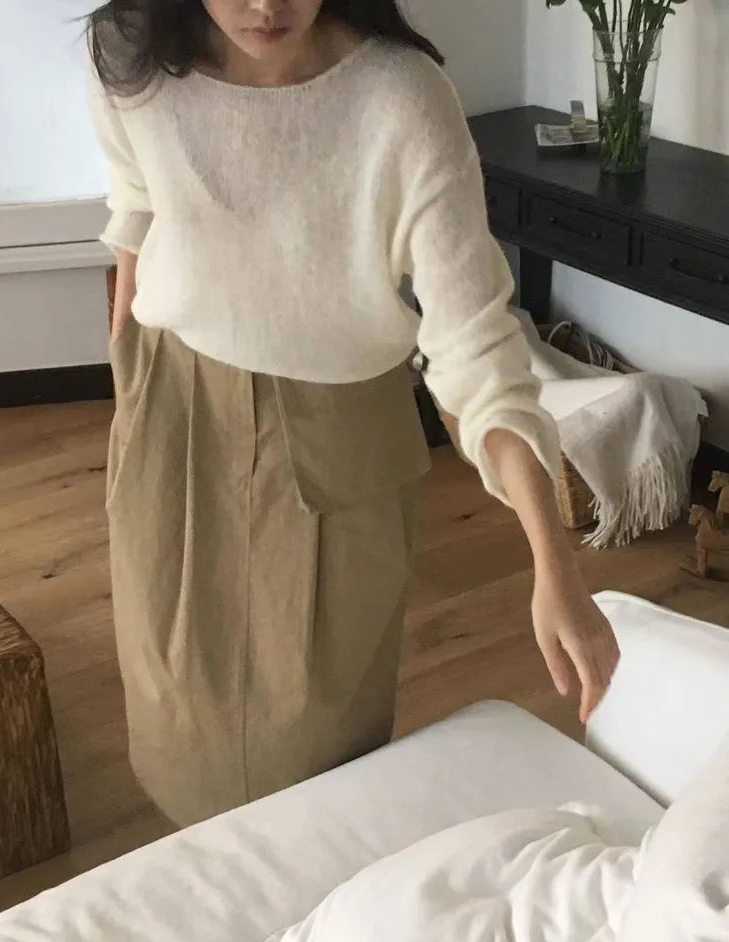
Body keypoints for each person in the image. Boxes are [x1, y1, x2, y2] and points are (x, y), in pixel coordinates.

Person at [87, 0, 620, 829]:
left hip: (341, 435)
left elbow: (477, 354)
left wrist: (556, 567)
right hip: (174, 406)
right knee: (174, 705)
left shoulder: (402, 98)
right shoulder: (127, 52)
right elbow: (136, 202)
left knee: (319, 746)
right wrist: (128, 373)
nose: (267, 5)